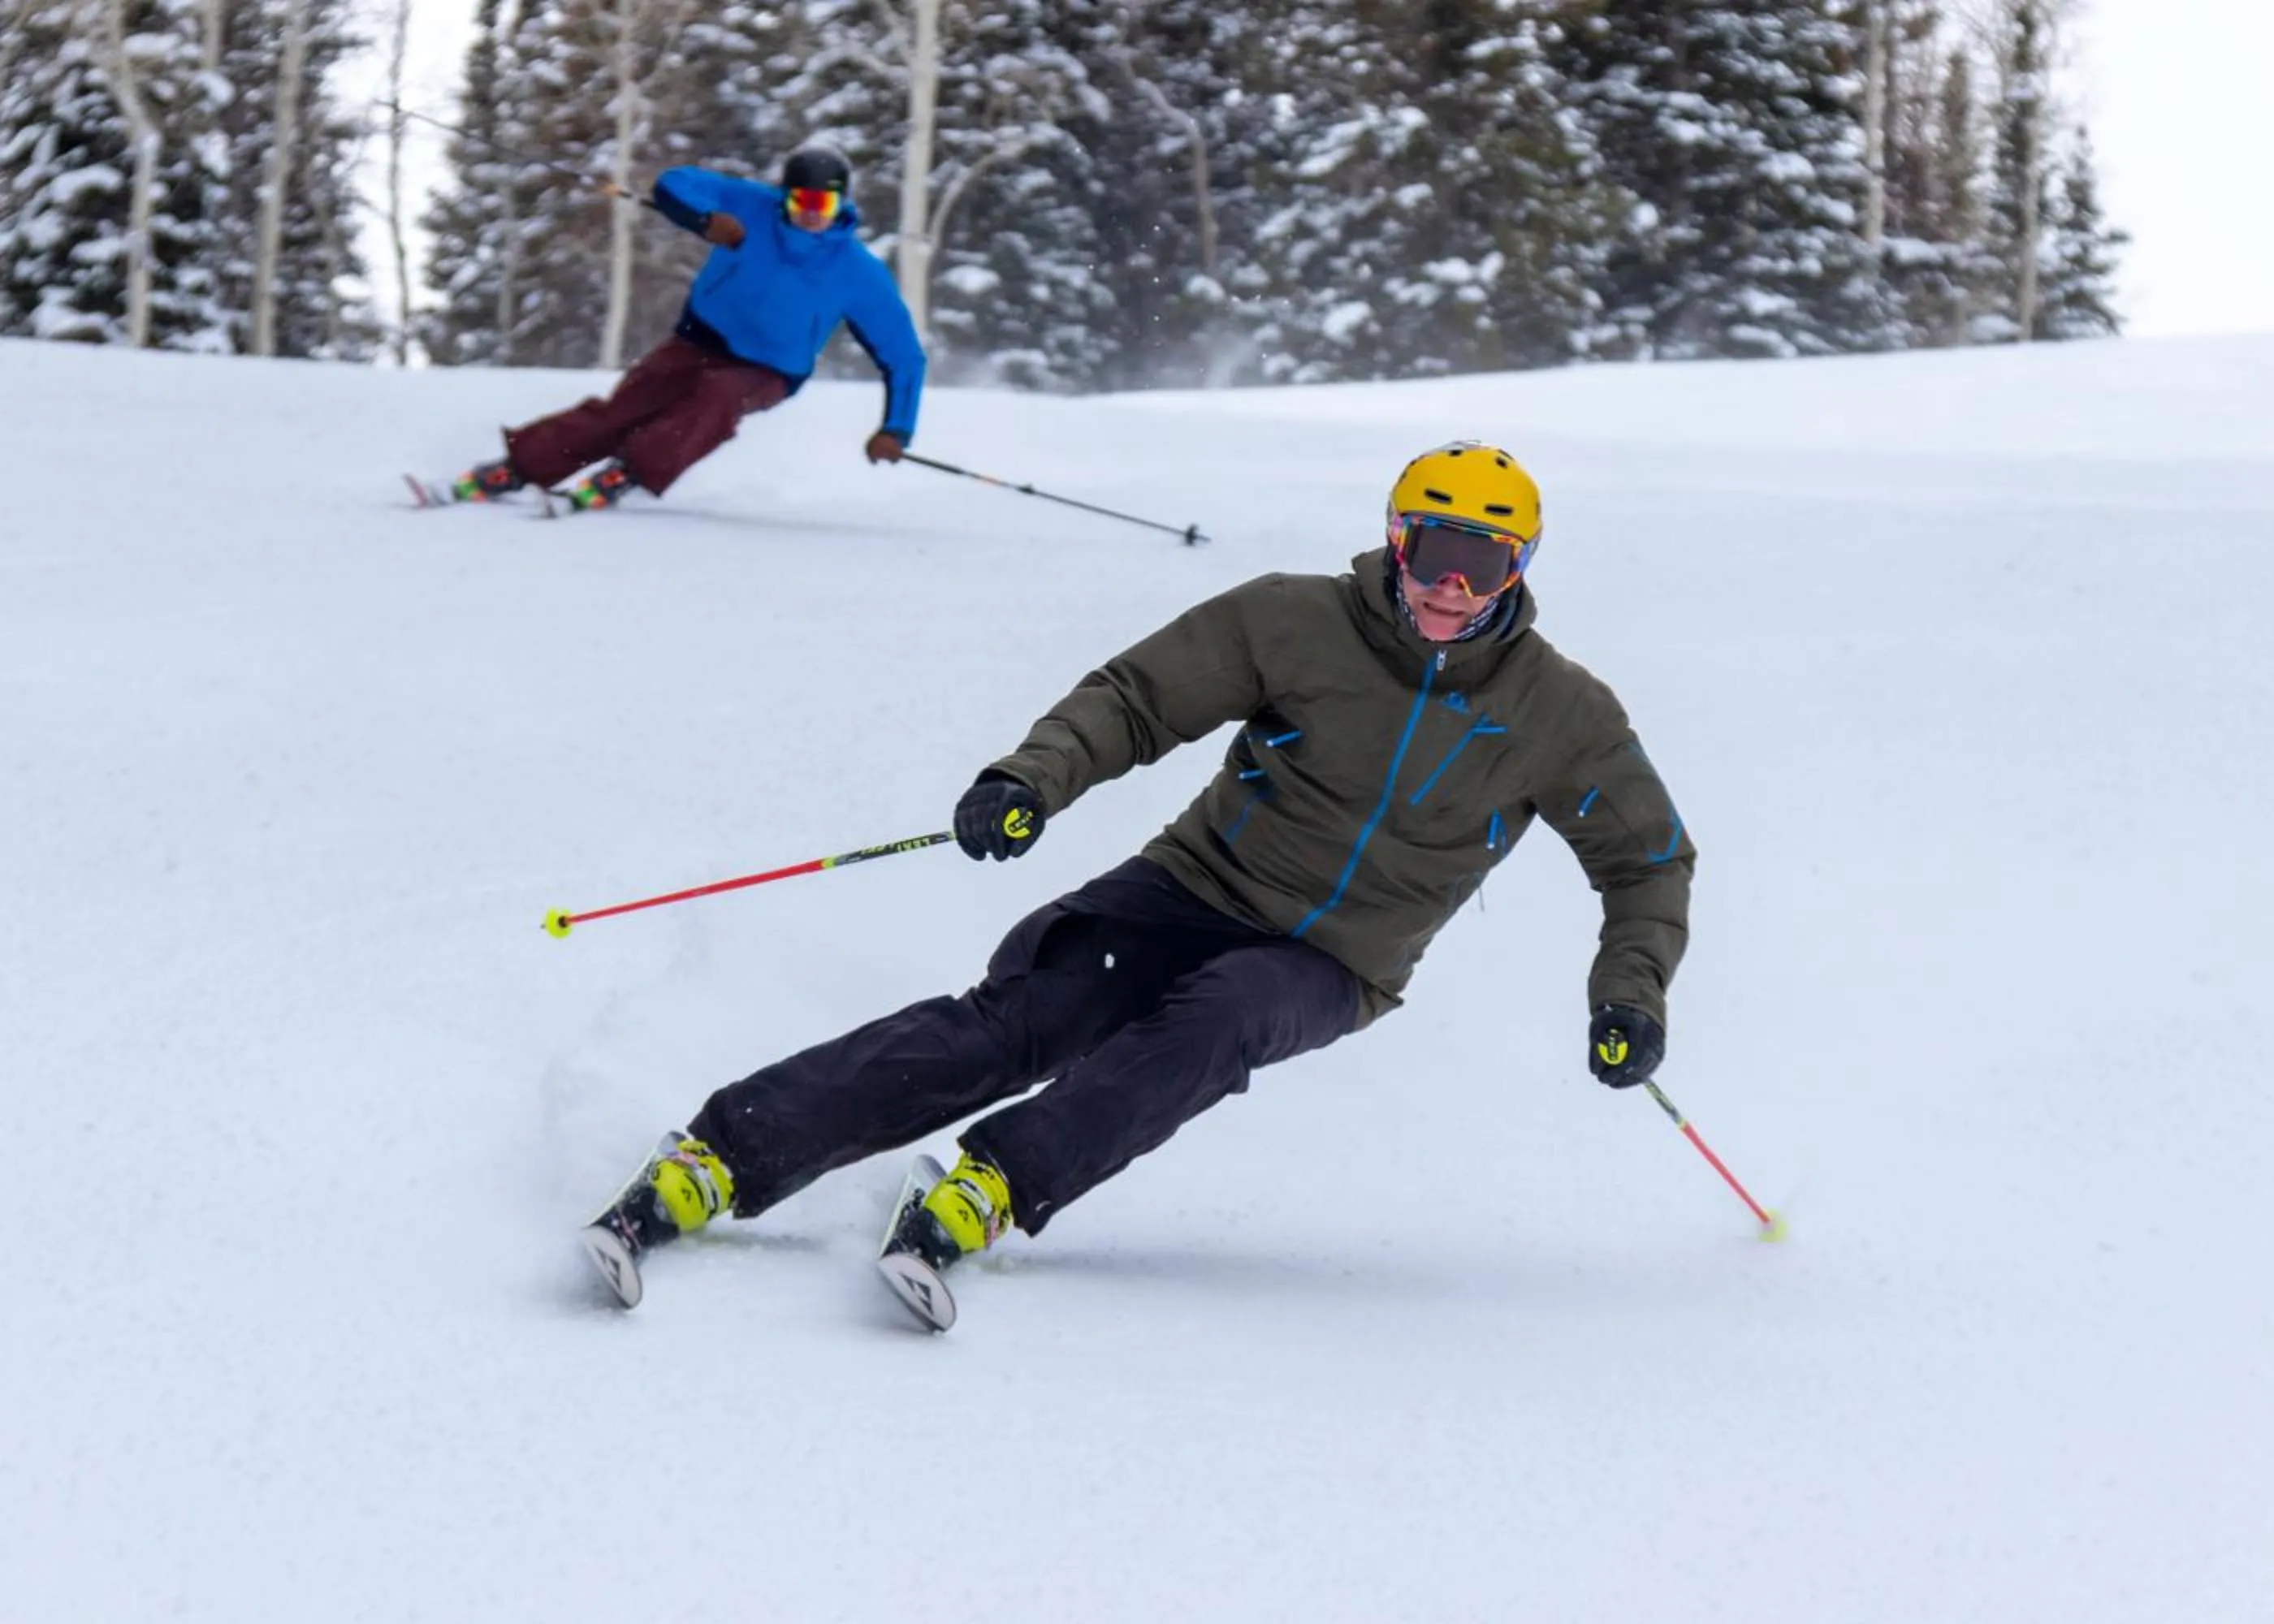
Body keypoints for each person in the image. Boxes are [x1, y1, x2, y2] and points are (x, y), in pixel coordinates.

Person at [583, 442, 1695, 1308]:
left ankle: (995, 1186)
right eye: (1435, 548)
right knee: (1029, 1017)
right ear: (1394, 539)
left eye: (1485, 562)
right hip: (1192, 887)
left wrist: (1630, 999)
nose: (1453, 584)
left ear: (1519, 569)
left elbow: (1646, 862)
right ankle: (720, 1157)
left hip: (1334, 959)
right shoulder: (1294, 620)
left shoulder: (1561, 713)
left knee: (1223, 1016)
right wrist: (1030, 780)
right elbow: (1137, 698)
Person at [450, 146, 924, 512]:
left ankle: (631, 472)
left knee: (719, 395)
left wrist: (896, 429)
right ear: (785, 195)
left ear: (842, 203)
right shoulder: (752, 206)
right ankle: (520, 468)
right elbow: (674, 183)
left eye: (824, 202)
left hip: (770, 369)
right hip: (700, 337)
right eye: (802, 199)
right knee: (628, 407)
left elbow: (904, 357)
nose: (812, 212)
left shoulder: (859, 273)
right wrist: (702, 219)